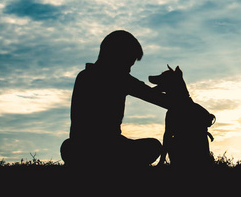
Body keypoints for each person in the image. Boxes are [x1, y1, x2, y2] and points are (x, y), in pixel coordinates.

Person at [61, 30, 168, 168]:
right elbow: (159, 99)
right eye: (128, 64)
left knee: (68, 146)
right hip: (110, 148)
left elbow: (147, 92)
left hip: (80, 150)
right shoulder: (119, 78)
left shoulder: (84, 76)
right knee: (153, 146)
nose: (129, 70)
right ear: (117, 57)